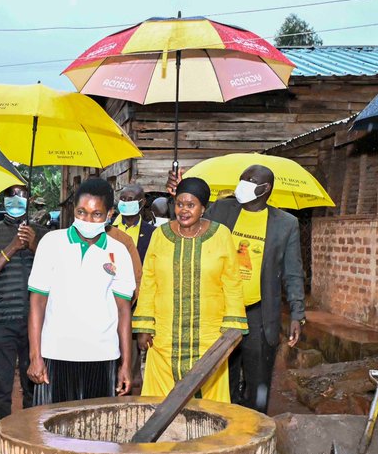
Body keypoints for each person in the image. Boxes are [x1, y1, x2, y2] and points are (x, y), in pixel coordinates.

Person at [190, 164, 305, 412]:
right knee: (220, 375)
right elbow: (191, 230)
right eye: (242, 178)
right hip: (221, 309)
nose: (243, 184)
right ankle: (222, 427)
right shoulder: (222, 210)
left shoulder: (285, 224)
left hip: (259, 313)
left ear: (266, 188)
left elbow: (293, 272)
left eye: (250, 180)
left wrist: (297, 313)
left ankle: (255, 429)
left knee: (258, 379)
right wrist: (177, 196)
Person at [134, 177, 247, 401]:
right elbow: (149, 281)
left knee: (211, 406)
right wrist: (144, 325)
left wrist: (232, 332)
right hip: (165, 337)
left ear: (203, 207)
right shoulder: (160, 235)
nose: (183, 210)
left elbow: (232, 283)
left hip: (210, 337)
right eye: (179, 204)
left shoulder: (221, 235)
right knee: (159, 402)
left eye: (191, 205)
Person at [27, 177, 136, 403]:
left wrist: (126, 364)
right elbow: (37, 302)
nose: (87, 219)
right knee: (51, 432)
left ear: (109, 214)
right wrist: (35, 355)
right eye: (81, 212)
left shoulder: (119, 251)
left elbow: (123, 310)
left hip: (102, 355)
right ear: (73, 211)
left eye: (96, 214)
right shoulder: (51, 243)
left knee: (97, 431)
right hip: (56, 354)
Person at [0, 184, 46, 454]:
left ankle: (31, 442)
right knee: (2, 388)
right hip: (1, 321)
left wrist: (33, 245)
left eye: (22, 196)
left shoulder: (42, 234)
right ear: (3, 200)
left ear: (30, 200)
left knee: (34, 387)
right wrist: (12, 247)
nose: (16, 201)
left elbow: (58, 270)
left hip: (34, 323)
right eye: (11, 196)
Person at [114, 183, 156, 261]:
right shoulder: (108, 227)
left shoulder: (152, 232)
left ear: (142, 202)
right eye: (123, 199)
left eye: (130, 199)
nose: (126, 202)